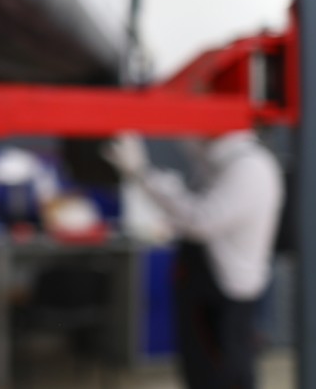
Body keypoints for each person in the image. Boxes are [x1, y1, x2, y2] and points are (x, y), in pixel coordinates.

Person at [106, 131, 283, 389]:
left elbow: (201, 220)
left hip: (225, 293)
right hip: (208, 288)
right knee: (203, 372)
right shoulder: (217, 164)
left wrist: (143, 174)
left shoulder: (249, 167)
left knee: (224, 374)